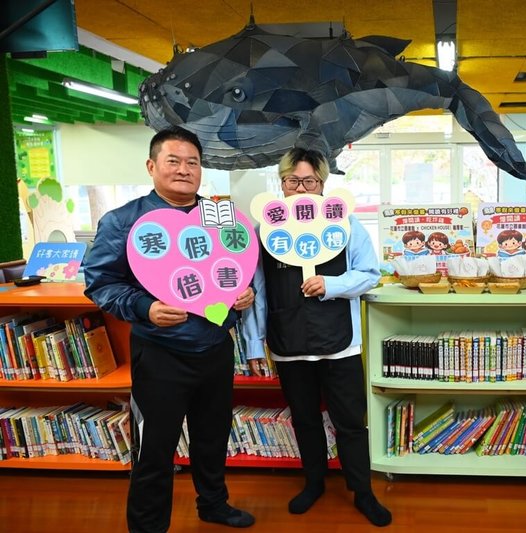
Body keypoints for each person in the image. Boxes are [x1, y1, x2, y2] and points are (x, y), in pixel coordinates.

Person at [83, 126, 256, 532]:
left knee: (213, 437)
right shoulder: (125, 220)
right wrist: (145, 307)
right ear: (152, 166)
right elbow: (100, 283)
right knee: (154, 448)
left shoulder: (220, 216)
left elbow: (235, 270)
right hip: (159, 353)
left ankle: (213, 504)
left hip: (214, 346)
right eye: (173, 161)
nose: (184, 170)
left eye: (192, 162)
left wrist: (242, 295)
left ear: (201, 169)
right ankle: (147, 525)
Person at [242, 148, 392, 527]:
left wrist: (332, 284)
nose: (300, 189)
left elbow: (370, 273)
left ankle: (363, 491)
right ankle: (314, 483)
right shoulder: (266, 230)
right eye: (292, 181)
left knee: (350, 422)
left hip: (340, 342)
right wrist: (254, 343)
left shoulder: (347, 225)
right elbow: (256, 289)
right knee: (305, 420)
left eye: (309, 181)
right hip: (289, 343)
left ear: (323, 185)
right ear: (282, 185)